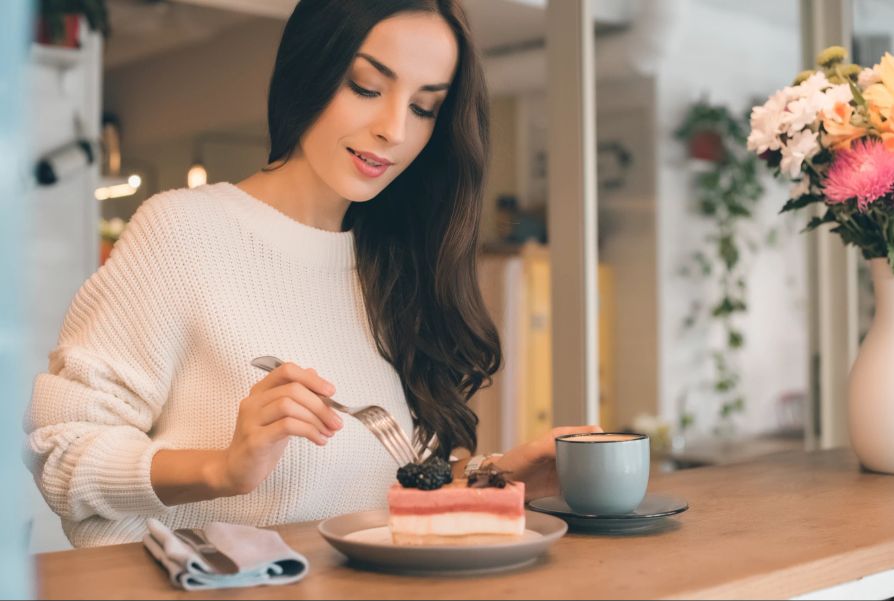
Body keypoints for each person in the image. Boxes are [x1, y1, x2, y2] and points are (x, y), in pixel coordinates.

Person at [24, 0, 600, 548]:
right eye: (367, 87)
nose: (394, 130)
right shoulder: (183, 232)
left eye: (424, 108)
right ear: (311, 69)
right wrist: (222, 468)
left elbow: (373, 495)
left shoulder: (397, 261)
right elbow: (61, 451)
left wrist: (494, 477)